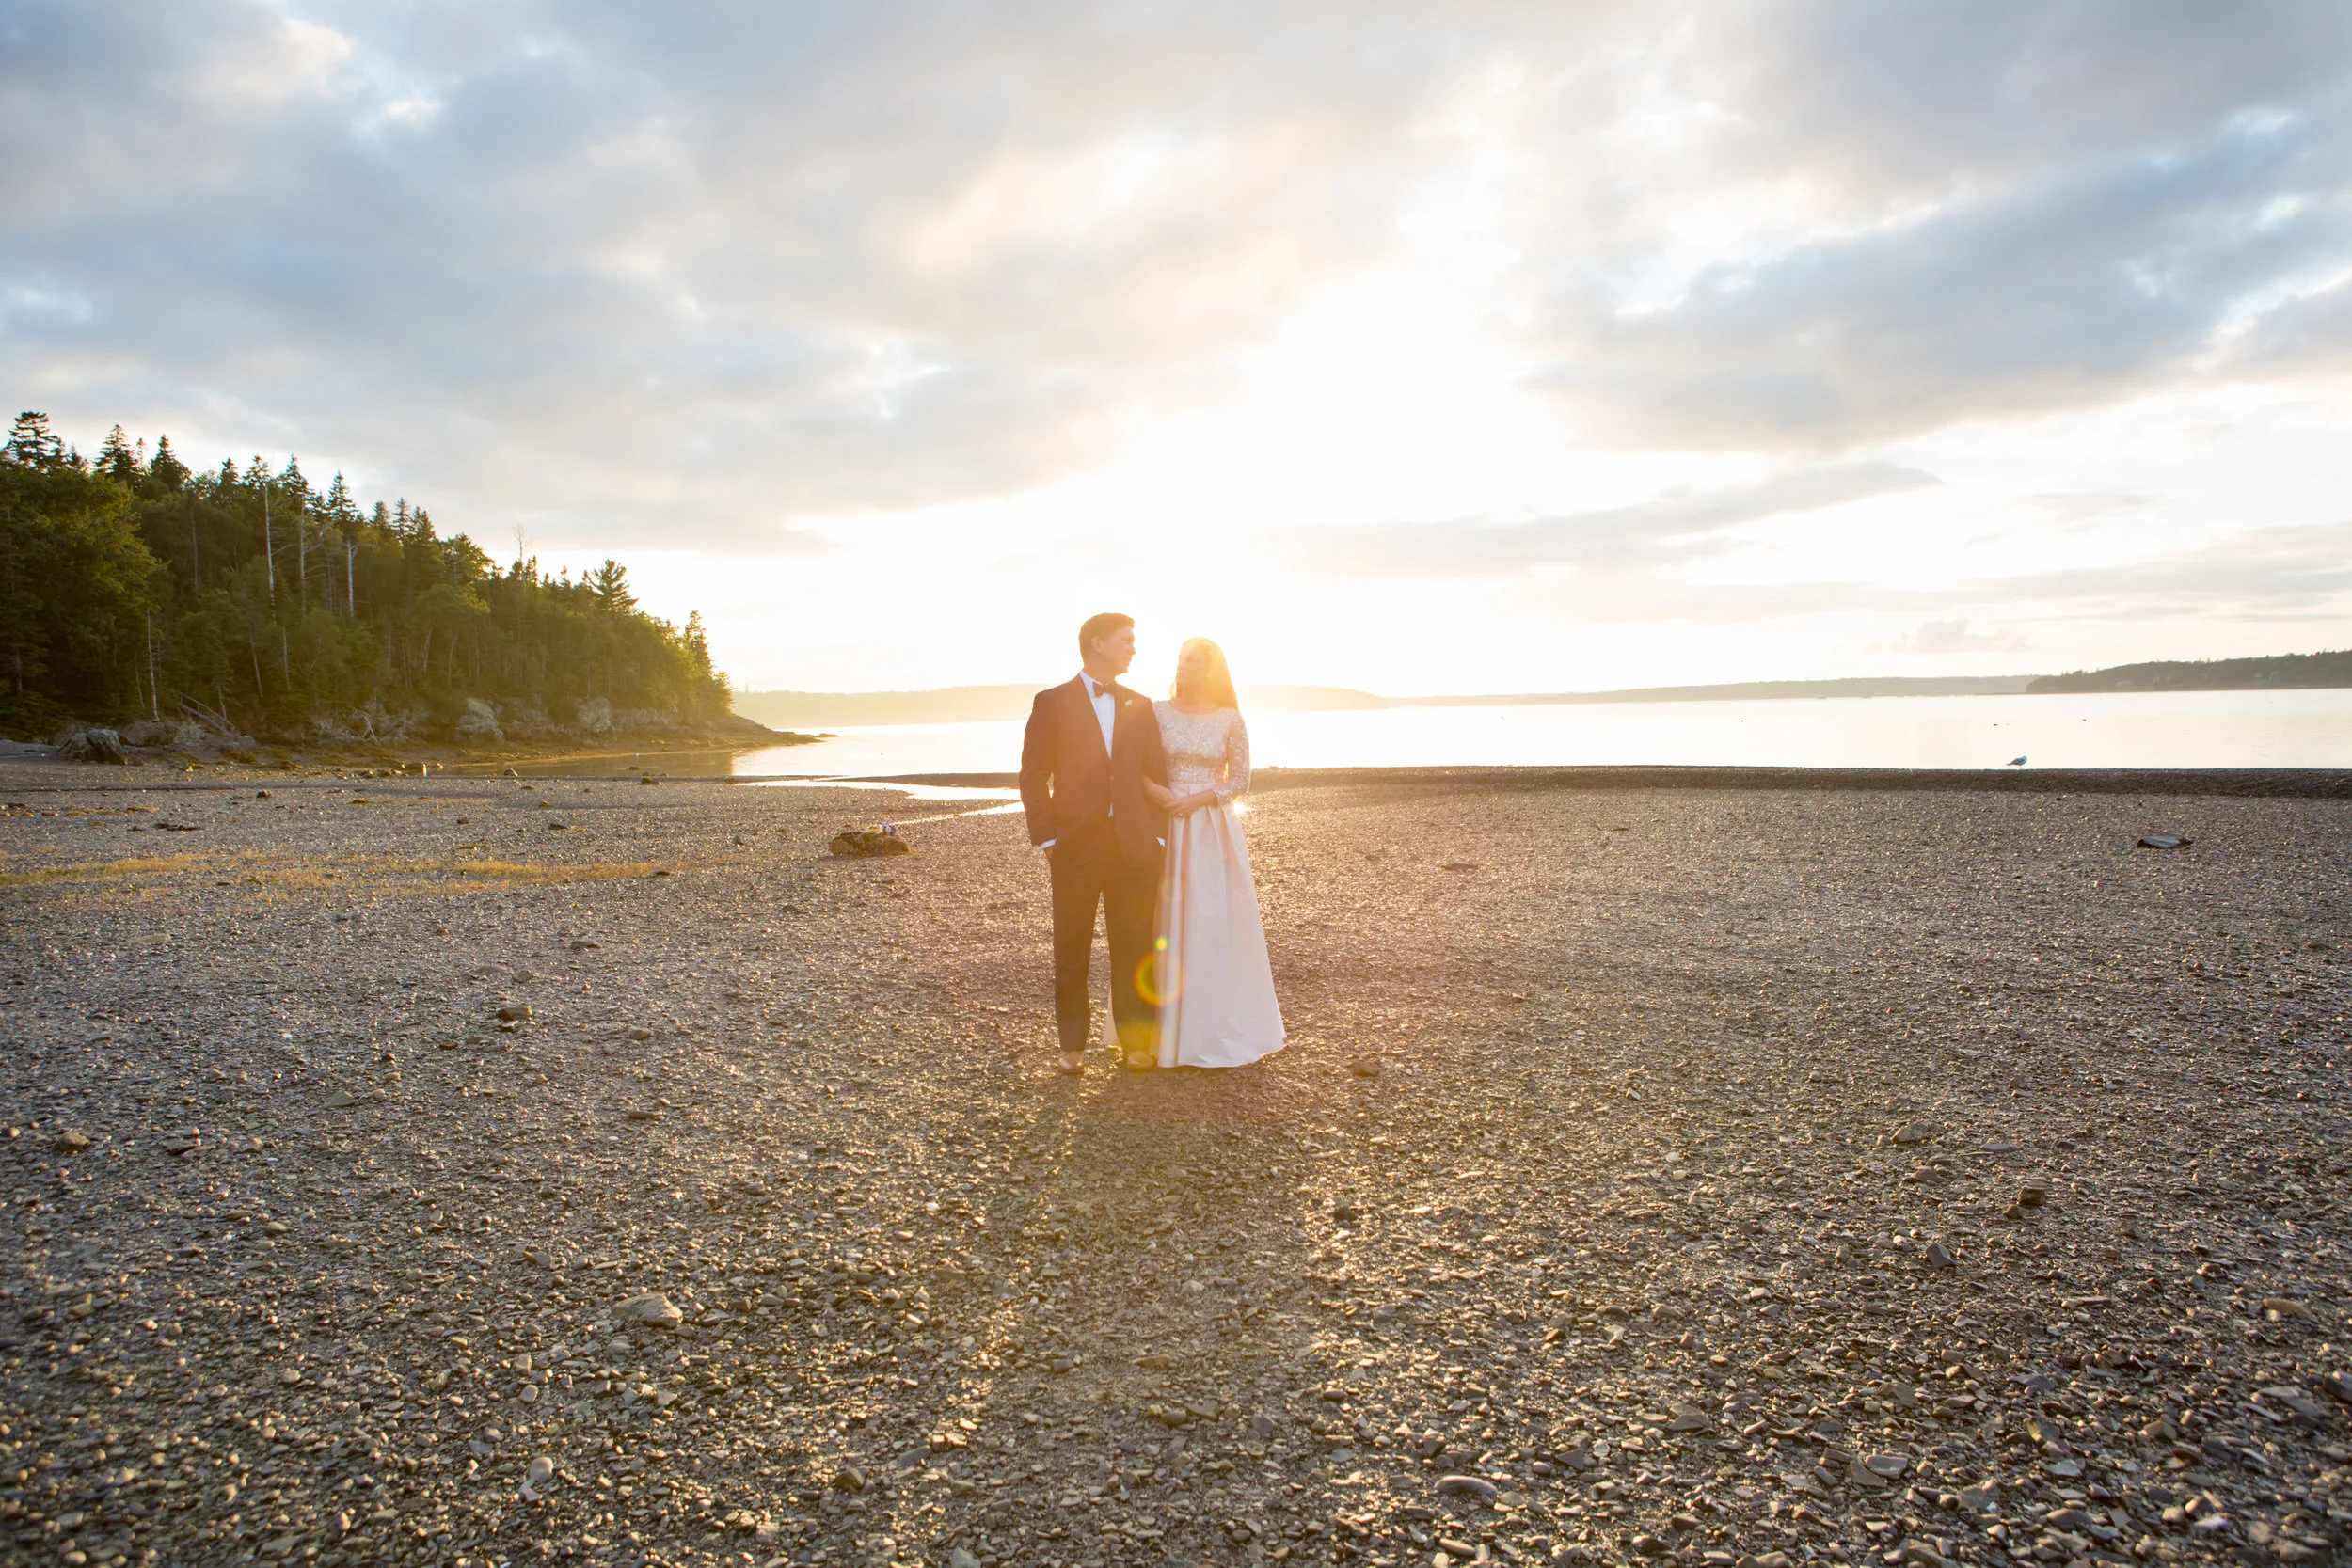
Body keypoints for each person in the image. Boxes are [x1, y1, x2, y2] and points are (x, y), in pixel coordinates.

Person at [1018, 613, 1172, 1074]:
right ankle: (1072, 1047)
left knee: (1136, 945)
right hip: (1074, 847)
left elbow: (1157, 773)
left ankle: (1137, 1044)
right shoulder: (1051, 702)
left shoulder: (1141, 705)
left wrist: (1157, 834)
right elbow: (1033, 775)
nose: (1134, 649)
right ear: (1098, 644)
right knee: (1072, 948)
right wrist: (1048, 837)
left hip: (1134, 845)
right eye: (1127, 640)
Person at [1143, 638, 1285, 1069]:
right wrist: (1158, 793)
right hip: (1163, 818)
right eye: (1180, 659)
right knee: (1160, 915)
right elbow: (1132, 764)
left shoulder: (1229, 718)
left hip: (1209, 827)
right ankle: (1156, 1032)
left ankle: (1211, 1029)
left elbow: (1240, 780)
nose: (1181, 666)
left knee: (1211, 918)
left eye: (1191, 661)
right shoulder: (1155, 712)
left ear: (1210, 670)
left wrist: (1197, 799)